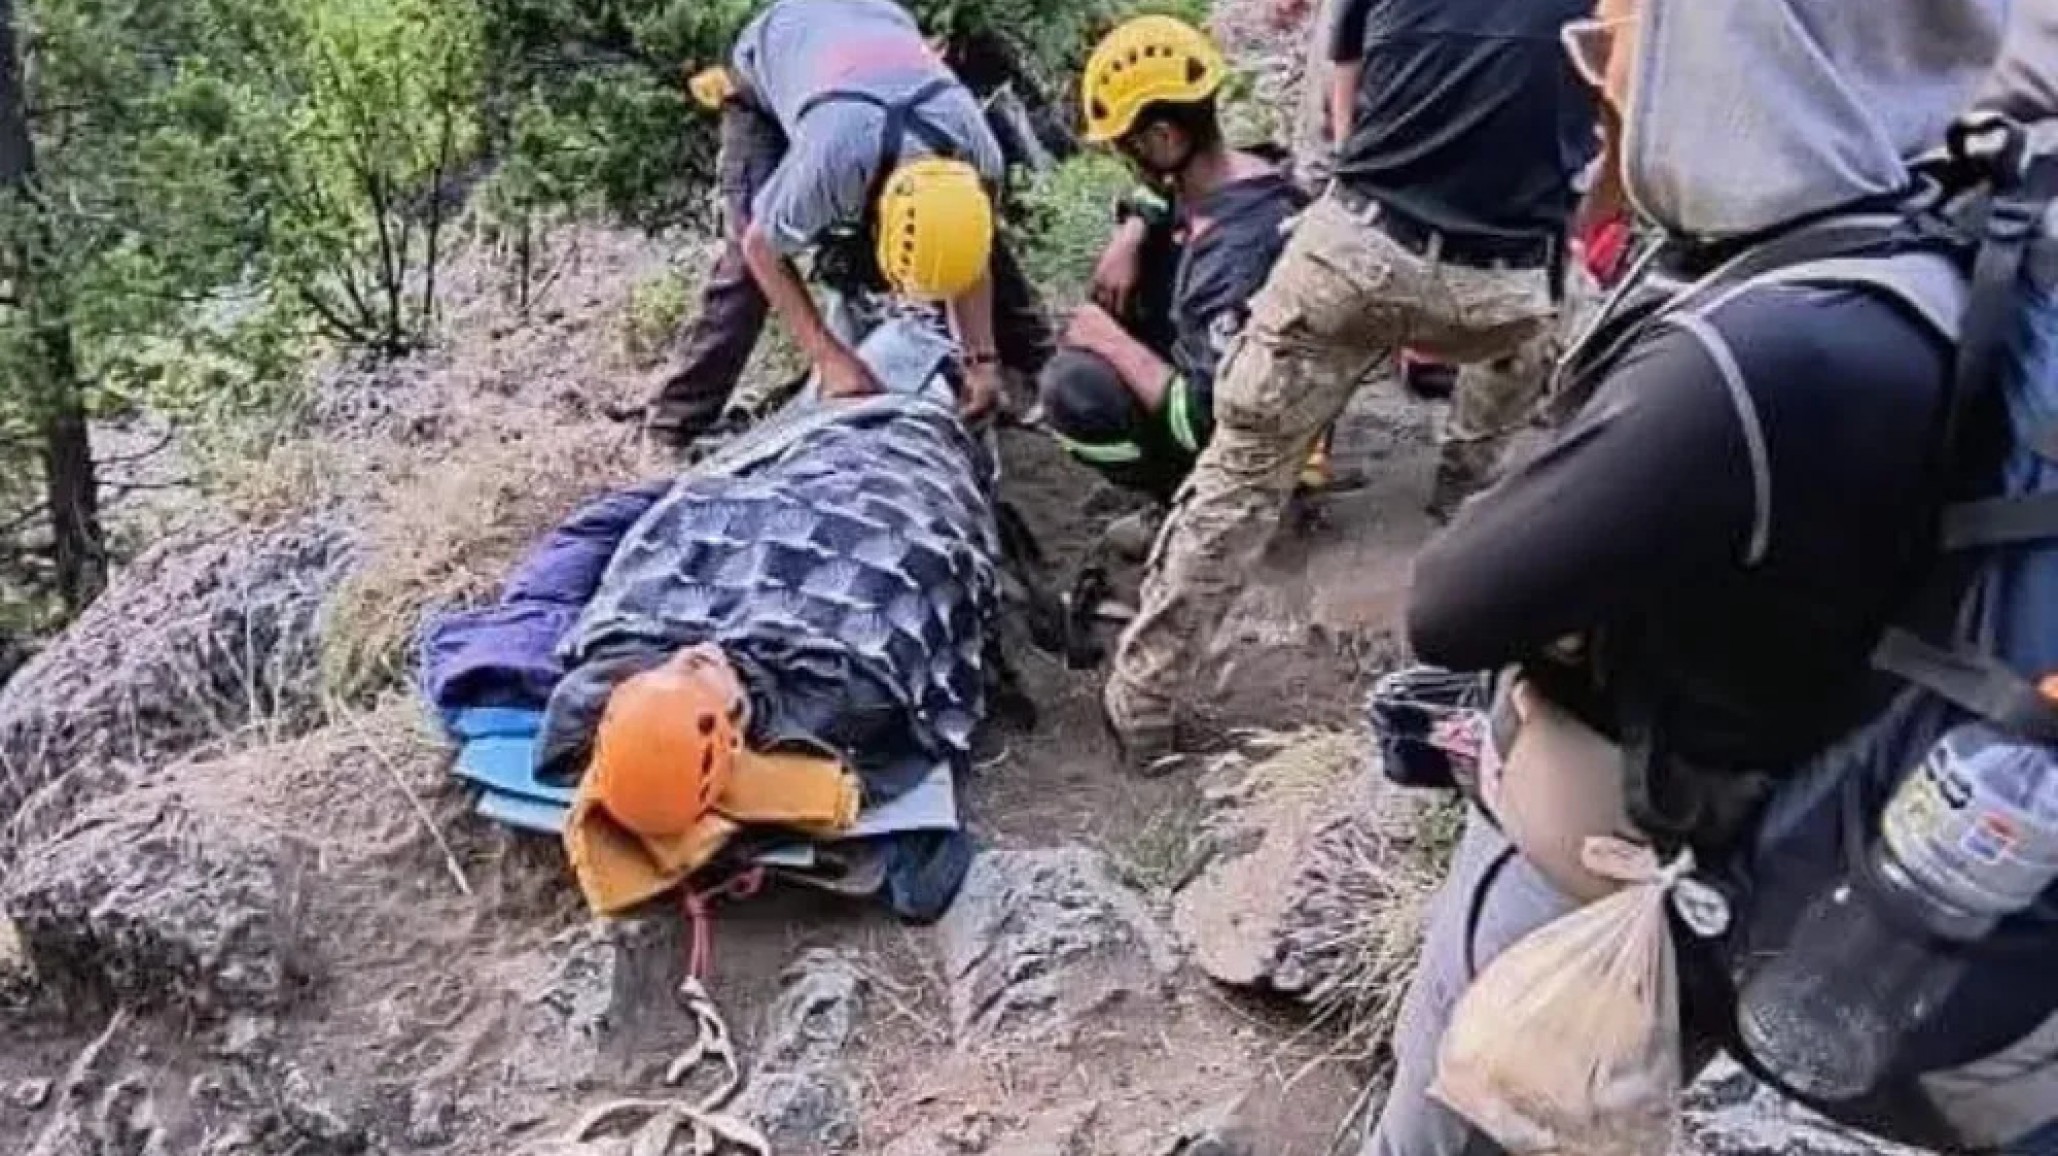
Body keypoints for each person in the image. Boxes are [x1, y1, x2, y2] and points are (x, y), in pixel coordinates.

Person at [1373, 0, 2016, 1152]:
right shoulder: (1925, 251)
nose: (1605, 70)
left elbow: (1453, 603)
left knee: (1458, 1133)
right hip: (1760, 846)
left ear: (1735, 49)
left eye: (1629, 31)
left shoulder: (1766, 352)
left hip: (1589, 892)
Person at [1102, 0, 1596, 765]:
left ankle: (1143, 703)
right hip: (1507, 283)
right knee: (1544, 323)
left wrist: (1360, 197)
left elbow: (1342, 99)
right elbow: (1616, 151)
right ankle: (1465, 482)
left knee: (1240, 472)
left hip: (1360, 253)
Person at [640, 0, 1053, 449]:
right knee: (748, 263)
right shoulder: (834, 162)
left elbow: (974, 253)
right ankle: (674, 426)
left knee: (968, 240)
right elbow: (763, 248)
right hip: (774, 69)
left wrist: (980, 360)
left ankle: (1038, 371)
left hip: (867, 33)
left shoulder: (979, 155)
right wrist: (830, 358)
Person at [1039, 16, 1308, 554]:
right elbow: (1162, 197)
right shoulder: (1247, 173)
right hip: (1255, 379)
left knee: (1071, 390)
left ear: (1164, 137)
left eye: (1128, 147)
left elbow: (1207, 421)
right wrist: (1134, 231)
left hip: (1241, 427)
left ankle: (1190, 504)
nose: (1128, 161)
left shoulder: (1234, 257)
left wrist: (1105, 338)